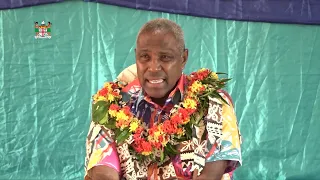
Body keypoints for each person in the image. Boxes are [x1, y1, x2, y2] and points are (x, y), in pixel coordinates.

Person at [85, 18, 242, 180]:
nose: (153, 68)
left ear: (183, 59)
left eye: (165, 57)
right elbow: (102, 170)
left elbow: (210, 174)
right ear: (136, 57)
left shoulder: (211, 103)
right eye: (145, 57)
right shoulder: (112, 104)